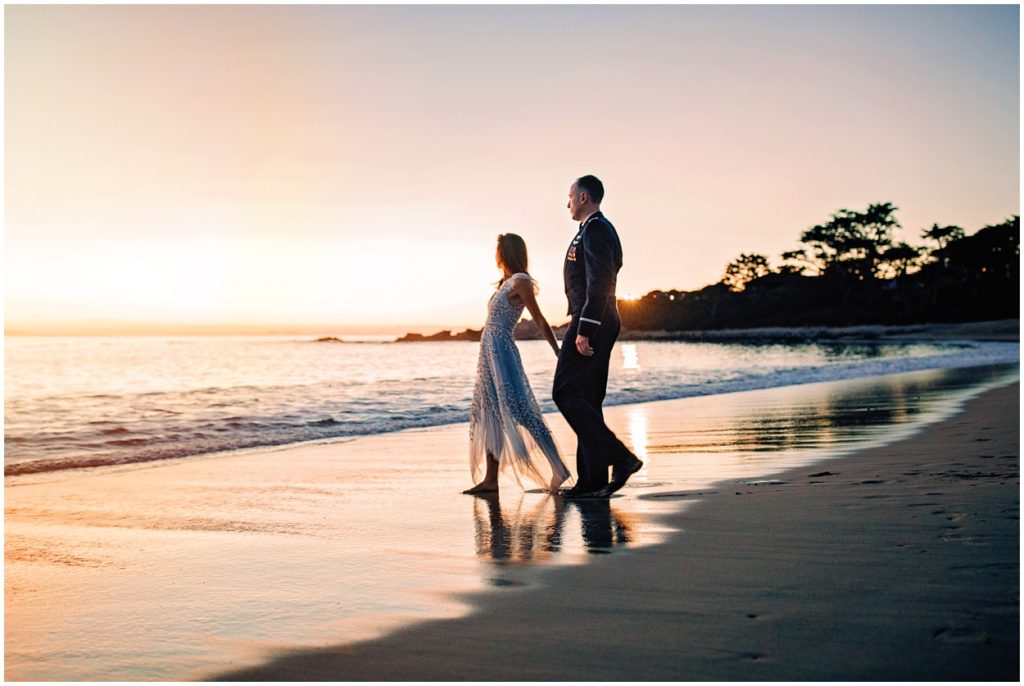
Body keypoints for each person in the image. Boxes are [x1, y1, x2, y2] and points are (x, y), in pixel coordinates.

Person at [553, 175, 643, 498]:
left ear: (584, 197)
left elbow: (600, 280)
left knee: (564, 393)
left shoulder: (597, 229)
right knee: (587, 399)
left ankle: (621, 458)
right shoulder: (591, 229)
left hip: (593, 318)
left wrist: (585, 328)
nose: (568, 203)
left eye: (571, 196)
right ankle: (592, 480)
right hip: (595, 317)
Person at [464, 233, 571, 494]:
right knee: (490, 410)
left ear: (506, 252)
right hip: (488, 354)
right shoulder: (504, 282)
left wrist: (558, 351)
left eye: (498, 249)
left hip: (502, 352)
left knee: (520, 409)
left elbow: (539, 319)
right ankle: (491, 480)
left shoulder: (521, 282)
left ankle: (558, 467)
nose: (495, 254)